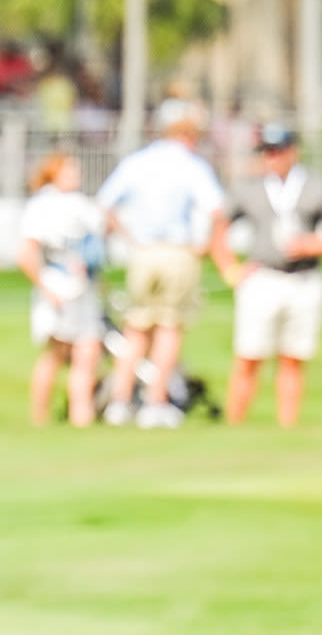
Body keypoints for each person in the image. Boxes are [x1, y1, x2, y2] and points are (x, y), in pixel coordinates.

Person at [211, 125, 322, 427]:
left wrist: (312, 244)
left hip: (303, 278)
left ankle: (287, 428)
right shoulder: (249, 187)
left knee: (293, 357)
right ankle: (234, 425)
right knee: (249, 355)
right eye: (267, 151)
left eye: (278, 151)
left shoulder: (315, 186)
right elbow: (218, 228)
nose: (272, 157)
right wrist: (230, 270)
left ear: (292, 151)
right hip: (263, 277)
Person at [96, 107, 225, 428]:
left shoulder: (137, 161)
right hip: (175, 251)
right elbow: (216, 210)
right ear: (187, 135)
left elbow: (106, 204)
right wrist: (204, 246)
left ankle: (120, 402)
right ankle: (156, 402)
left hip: (142, 252)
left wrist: (129, 239)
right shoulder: (190, 164)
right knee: (169, 326)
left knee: (136, 327)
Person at [16, 153, 105, 427]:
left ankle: (82, 417)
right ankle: (39, 418)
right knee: (56, 353)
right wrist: (45, 287)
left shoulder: (81, 204)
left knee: (88, 352)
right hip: (57, 284)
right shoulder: (42, 205)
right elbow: (27, 253)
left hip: (84, 287)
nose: (75, 174)